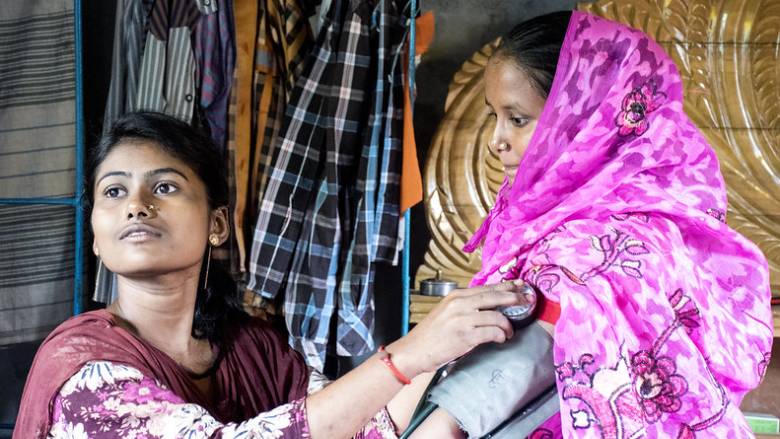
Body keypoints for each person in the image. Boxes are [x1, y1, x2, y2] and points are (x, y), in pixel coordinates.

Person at [13, 111, 533, 438]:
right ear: (97, 239)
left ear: (218, 225)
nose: (136, 206)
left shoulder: (252, 349)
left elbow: (354, 427)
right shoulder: (81, 367)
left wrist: (453, 348)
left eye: (165, 187)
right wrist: (412, 354)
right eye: (114, 192)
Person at [426, 9, 773, 438]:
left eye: (517, 119)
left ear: (585, 124)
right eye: (494, 116)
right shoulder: (593, 225)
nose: (497, 140)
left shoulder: (586, 254)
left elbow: (454, 420)